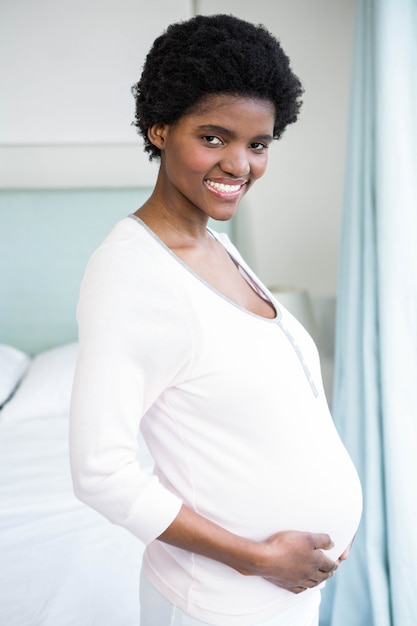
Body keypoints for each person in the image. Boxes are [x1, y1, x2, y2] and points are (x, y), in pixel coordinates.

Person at [69, 14, 362, 626]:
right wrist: (257, 559)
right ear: (159, 127)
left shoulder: (215, 243)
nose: (240, 165)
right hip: (218, 603)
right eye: (213, 138)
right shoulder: (131, 271)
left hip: (284, 593)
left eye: (258, 145)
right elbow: (101, 473)